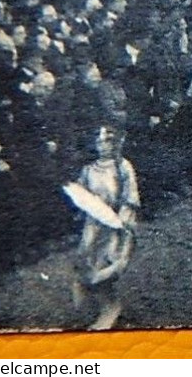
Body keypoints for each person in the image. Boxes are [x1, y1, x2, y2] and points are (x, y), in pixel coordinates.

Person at [68, 124, 139, 330]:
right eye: (99, 141)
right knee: (85, 265)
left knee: (105, 267)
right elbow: (82, 198)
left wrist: (123, 222)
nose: (103, 145)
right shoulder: (89, 170)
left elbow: (130, 198)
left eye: (108, 140)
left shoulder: (123, 167)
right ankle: (97, 308)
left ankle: (110, 307)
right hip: (93, 227)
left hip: (116, 225)